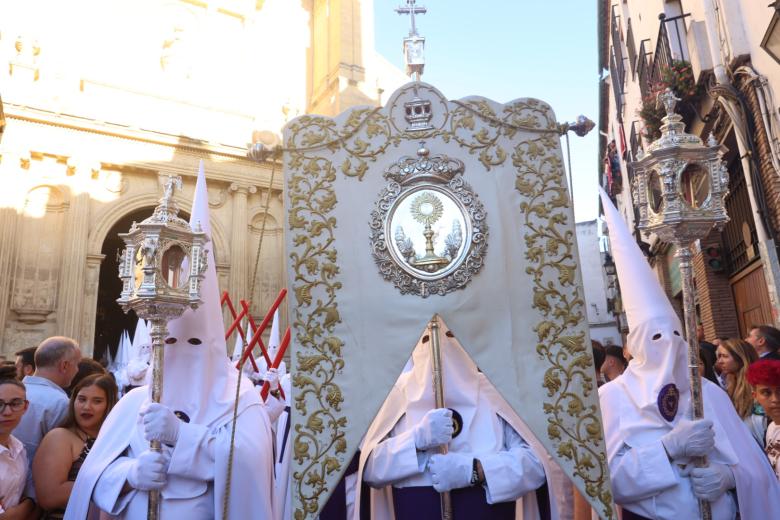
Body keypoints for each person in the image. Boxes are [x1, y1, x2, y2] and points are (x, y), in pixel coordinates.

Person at [65, 163, 274, 519]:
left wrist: (183, 435)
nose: (182, 353)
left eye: (194, 344)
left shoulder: (240, 401)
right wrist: (129, 475)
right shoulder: (134, 403)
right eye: (173, 343)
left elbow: (252, 465)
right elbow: (93, 475)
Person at [598, 188, 780, 519]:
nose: (667, 344)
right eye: (654, 337)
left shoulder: (707, 392)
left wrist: (729, 478)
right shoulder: (613, 397)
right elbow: (608, 482)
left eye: (675, 334)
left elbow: (753, 468)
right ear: (634, 347)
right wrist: (666, 450)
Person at [355, 320, 557, 520]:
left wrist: (475, 470)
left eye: (452, 335)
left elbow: (534, 465)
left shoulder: (495, 391)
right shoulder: (397, 394)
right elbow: (371, 469)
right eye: (426, 338)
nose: (440, 350)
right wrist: (415, 441)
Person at [33, 373, 117, 518]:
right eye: (82, 399)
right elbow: (50, 497)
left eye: (97, 401)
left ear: (109, 406)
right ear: (73, 401)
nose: (86, 407)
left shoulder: (116, 441)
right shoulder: (59, 437)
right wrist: (117, 485)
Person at [13, 336, 82, 471]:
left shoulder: (9, 392)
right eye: (77, 364)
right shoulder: (60, 404)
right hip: (36, 488)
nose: (78, 370)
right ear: (65, 366)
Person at [716, 339, 765, 446]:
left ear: (740, 358)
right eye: (719, 357)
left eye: (724, 356)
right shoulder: (728, 382)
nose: (720, 361)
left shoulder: (758, 382)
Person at [0, 379, 37, 519]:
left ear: (25, 406)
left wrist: (27, 505)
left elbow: (31, 497)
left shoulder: (19, 448)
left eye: (15, 403)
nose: (7, 412)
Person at [747, 359, 780, 480]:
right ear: (755, 396)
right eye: (766, 392)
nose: (775, 399)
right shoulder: (771, 428)